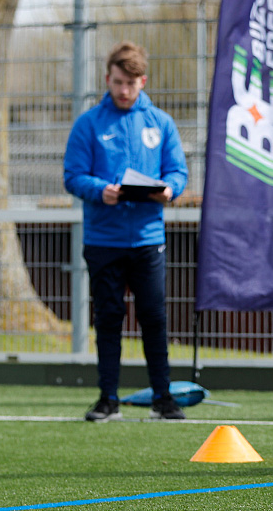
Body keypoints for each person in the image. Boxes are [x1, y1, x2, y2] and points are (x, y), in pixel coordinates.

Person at [64, 41, 188, 422]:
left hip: (148, 239)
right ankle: (107, 399)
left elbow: (178, 172)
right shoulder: (89, 123)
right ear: (107, 79)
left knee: (153, 317)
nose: (123, 90)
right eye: (117, 82)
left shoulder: (160, 123)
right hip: (103, 240)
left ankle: (163, 399)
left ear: (142, 81)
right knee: (108, 318)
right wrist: (99, 190)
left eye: (131, 84)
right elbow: (73, 176)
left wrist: (170, 189)